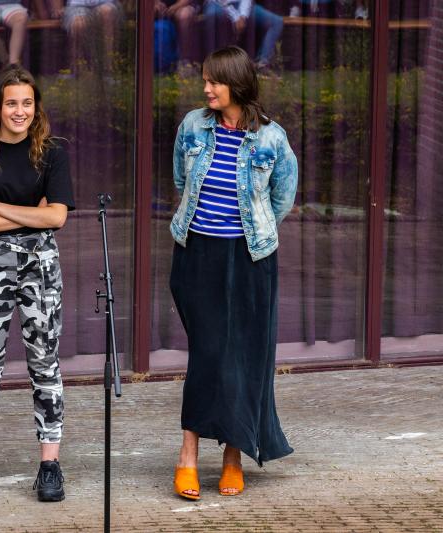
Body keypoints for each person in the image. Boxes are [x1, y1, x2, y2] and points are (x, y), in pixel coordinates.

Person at [169, 46, 296, 500]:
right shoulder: (192, 126)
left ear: (236, 85)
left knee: (239, 356)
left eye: (213, 82)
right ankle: (188, 453)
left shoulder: (271, 139)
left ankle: (232, 456)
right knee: (208, 352)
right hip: (196, 255)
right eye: (204, 80)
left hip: (248, 261)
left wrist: (250, 233)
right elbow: (182, 182)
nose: (205, 89)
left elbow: (282, 199)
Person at [0, 64, 75, 503]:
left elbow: (56, 216)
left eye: (26, 103)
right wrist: (30, 212)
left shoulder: (53, 152)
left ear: (35, 106)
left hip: (41, 270)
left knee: (45, 363)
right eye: (11, 104)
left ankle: (49, 464)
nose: (19, 111)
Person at [202, 1, 284, 70]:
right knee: (214, 16)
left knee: (277, 22)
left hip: (242, 6)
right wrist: (235, 17)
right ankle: (214, 64)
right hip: (217, 4)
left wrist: (243, 16)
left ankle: (262, 63)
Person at [51, 0, 122, 74]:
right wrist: (57, 8)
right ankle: (77, 69)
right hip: (77, 5)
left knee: (107, 12)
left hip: (107, 3)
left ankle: (108, 69)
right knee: (79, 24)